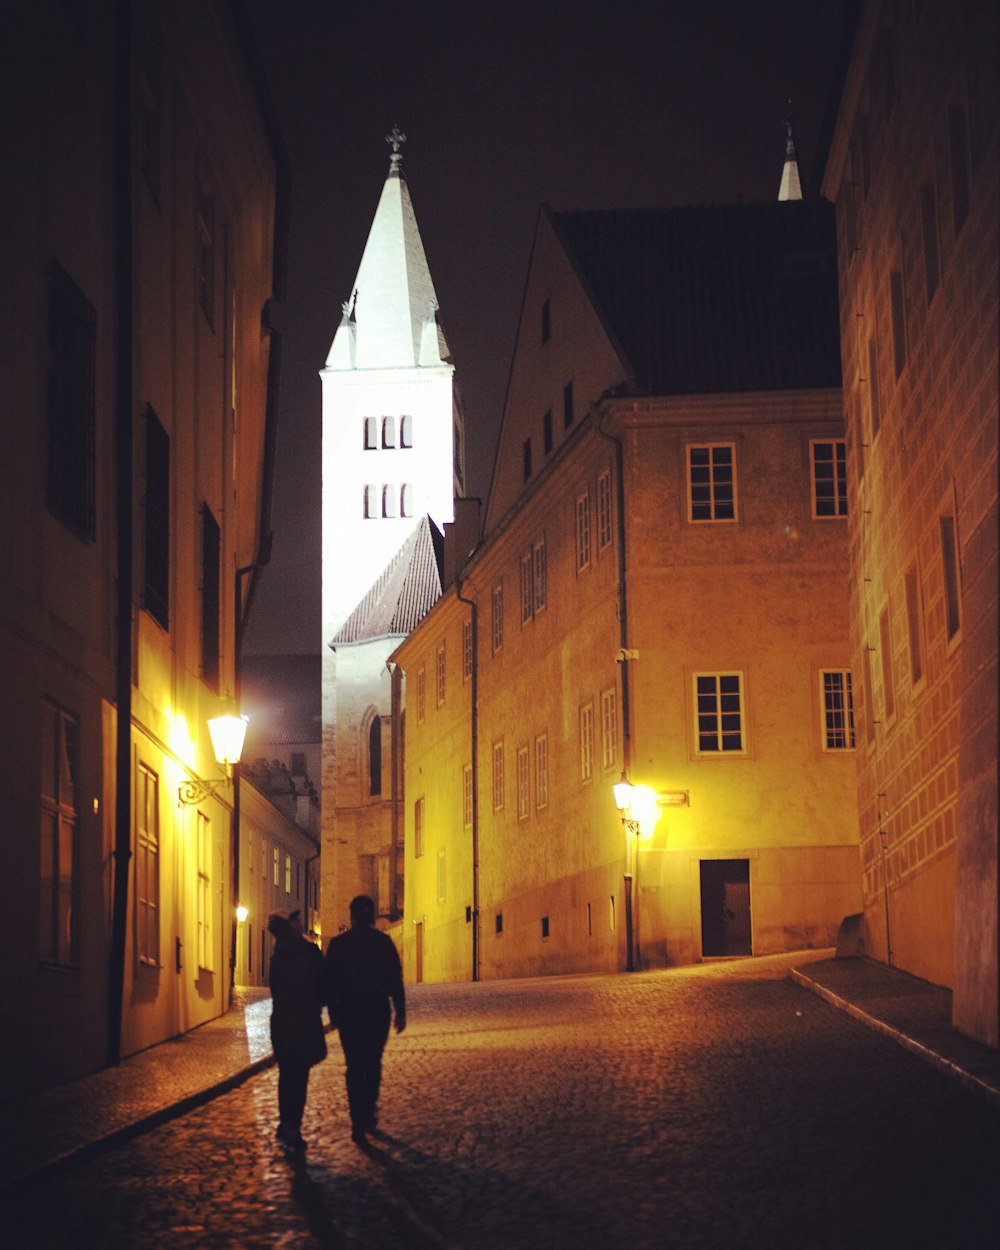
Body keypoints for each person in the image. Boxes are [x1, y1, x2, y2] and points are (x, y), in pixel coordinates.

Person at [325, 895, 406, 1144]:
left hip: (350, 1013)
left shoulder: (339, 945)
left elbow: (330, 983)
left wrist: (334, 1013)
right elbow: (395, 978)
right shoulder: (383, 942)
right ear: (371, 916)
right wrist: (400, 1010)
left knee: (354, 1066)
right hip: (376, 1012)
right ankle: (368, 1108)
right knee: (372, 1063)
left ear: (351, 916)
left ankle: (357, 1116)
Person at [267, 910, 327, 1154]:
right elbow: (323, 987)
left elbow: (275, 990)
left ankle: (286, 1123)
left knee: (285, 1074)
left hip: (282, 1023)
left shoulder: (278, 955)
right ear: (295, 928)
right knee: (299, 1077)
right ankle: (294, 1126)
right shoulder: (310, 952)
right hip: (304, 1023)